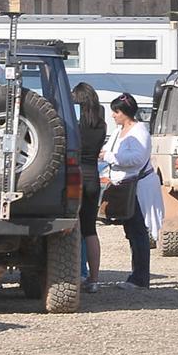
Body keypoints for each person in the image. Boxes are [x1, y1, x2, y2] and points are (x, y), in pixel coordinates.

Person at [101, 92, 163, 289]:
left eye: (116, 111)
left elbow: (136, 158)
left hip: (137, 187)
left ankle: (140, 277)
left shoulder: (139, 131)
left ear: (124, 113)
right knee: (132, 231)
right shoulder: (120, 131)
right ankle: (137, 274)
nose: (113, 115)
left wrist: (109, 157)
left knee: (138, 232)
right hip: (126, 186)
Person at [72, 82, 107, 293]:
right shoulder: (100, 125)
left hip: (75, 177)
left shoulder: (74, 125)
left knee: (70, 228)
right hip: (93, 176)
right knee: (90, 230)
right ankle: (93, 279)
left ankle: (74, 273)